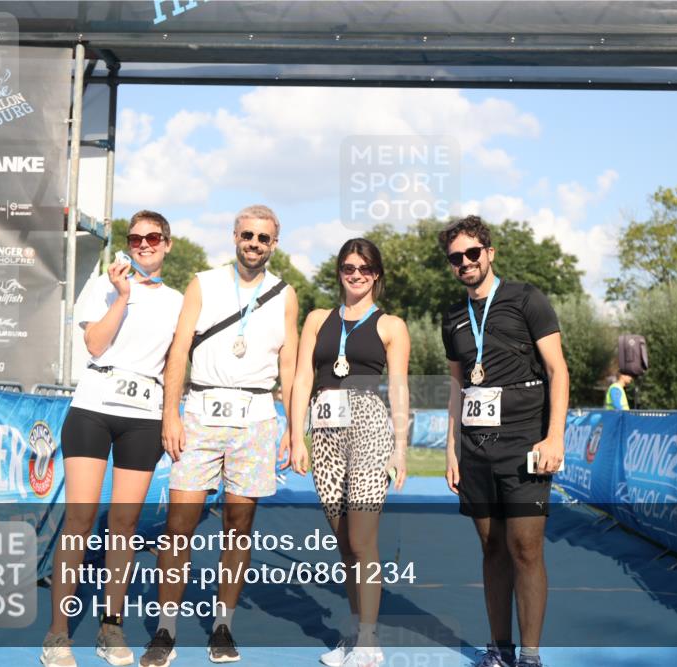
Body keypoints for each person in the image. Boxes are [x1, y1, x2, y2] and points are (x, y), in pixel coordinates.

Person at [142, 205, 299, 666]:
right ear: (234, 236)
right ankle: (166, 629)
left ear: (275, 243)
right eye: (247, 235)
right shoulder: (204, 283)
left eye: (264, 238)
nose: (254, 243)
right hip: (202, 413)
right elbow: (178, 353)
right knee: (178, 527)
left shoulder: (284, 294)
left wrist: (293, 428)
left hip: (256, 418)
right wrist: (170, 414)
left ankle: (223, 624)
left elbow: (288, 365)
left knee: (239, 526)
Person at [42, 210, 184, 667]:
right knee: (80, 521)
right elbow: (96, 345)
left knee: (124, 528)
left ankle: (111, 626)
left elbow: (178, 365)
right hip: (93, 408)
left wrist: (172, 416)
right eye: (136, 237)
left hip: (143, 415)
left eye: (153, 238)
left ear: (167, 244)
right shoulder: (106, 283)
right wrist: (122, 296)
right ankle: (58, 634)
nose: (143, 244)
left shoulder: (180, 301)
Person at [439, 216, 569, 667]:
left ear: (489, 253)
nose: (465, 262)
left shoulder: (526, 298)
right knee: (491, 548)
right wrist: (452, 448)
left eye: (472, 253)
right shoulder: (453, 316)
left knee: (525, 548)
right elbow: (458, 387)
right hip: (475, 449)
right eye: (456, 257)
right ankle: (499, 648)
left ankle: (530, 655)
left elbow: (558, 371)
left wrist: (555, 437)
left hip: (525, 444)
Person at [289, 238, 409, 667]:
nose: (355, 274)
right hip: (324, 430)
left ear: (376, 274)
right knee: (343, 542)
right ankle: (357, 633)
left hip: (369, 426)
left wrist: (400, 448)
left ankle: (369, 640)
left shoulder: (390, 325)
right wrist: (295, 434)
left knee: (362, 538)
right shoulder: (317, 319)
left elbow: (398, 388)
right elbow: (303, 377)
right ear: (339, 271)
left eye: (364, 268)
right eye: (347, 267)